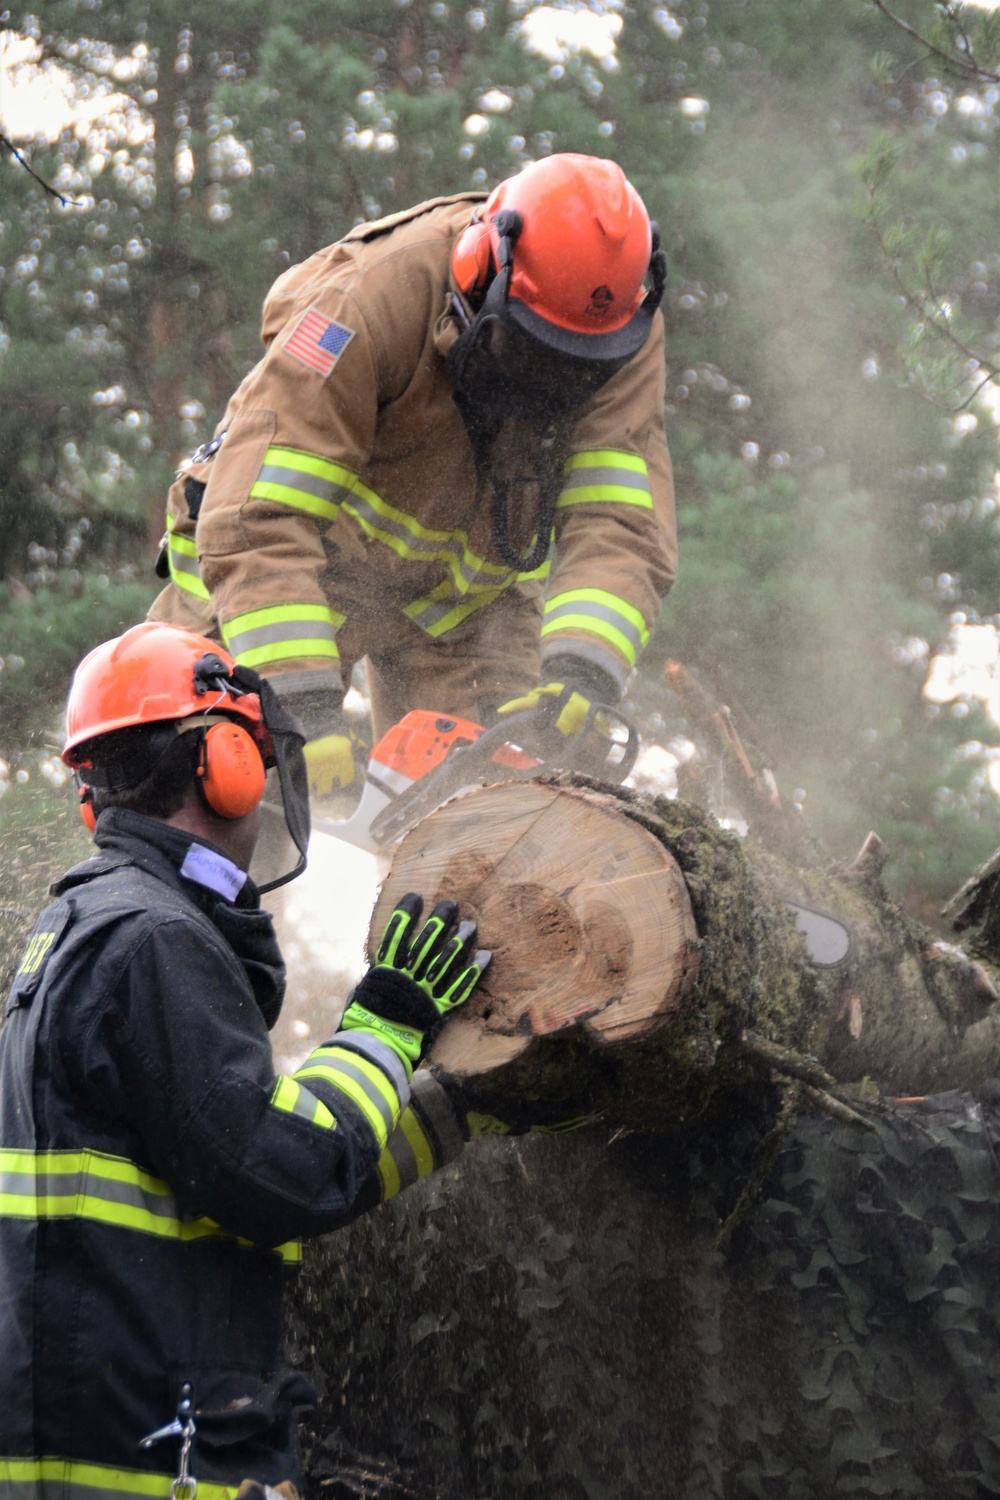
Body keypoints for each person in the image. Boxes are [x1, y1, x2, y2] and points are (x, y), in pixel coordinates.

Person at [0, 621, 496, 1499]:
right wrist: (389, 1021)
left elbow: (243, 1174)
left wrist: (471, 1107)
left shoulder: (84, 930)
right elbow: (287, 1174)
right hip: (153, 1459)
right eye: (252, 760)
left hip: (101, 1436)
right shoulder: (152, 941)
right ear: (221, 761)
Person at [148, 152, 676, 794]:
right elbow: (260, 521)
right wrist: (303, 711)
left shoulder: (616, 329)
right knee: (213, 789)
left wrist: (581, 676)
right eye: (530, 346)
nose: (550, 378)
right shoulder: (364, 303)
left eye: (576, 363)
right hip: (278, 587)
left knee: (495, 816)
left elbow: (618, 522)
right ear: (479, 274)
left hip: (460, 612)